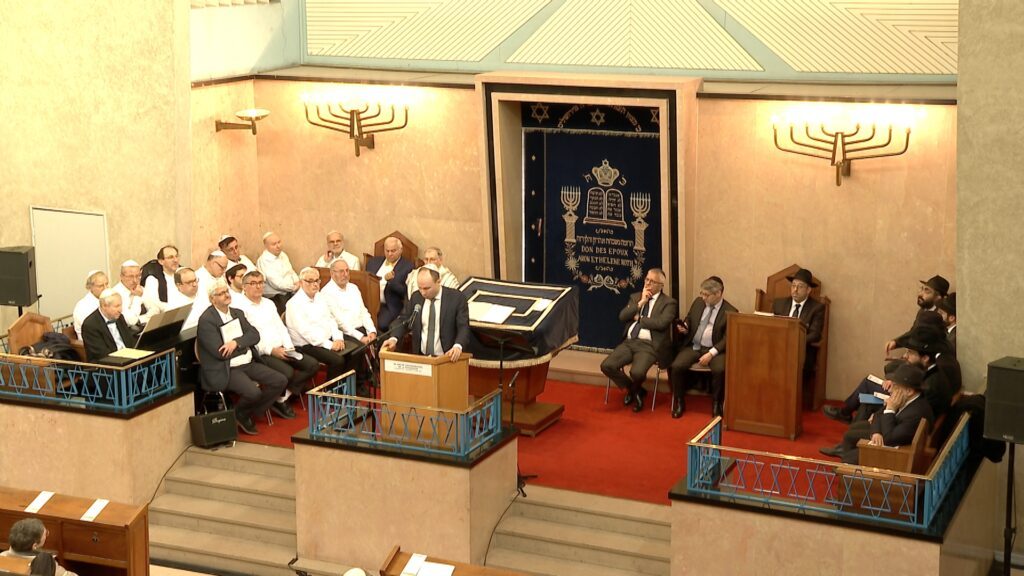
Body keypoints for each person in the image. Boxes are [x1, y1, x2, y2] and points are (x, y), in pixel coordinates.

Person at [196, 280, 290, 435]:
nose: (226, 295)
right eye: (221, 293)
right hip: (226, 368)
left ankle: (245, 413)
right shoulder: (207, 320)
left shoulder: (237, 313)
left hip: (247, 362)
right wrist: (243, 346)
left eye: (226, 291)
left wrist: (236, 343)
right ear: (212, 299)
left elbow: (254, 335)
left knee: (280, 381)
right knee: (253, 393)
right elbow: (220, 352)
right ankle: (241, 414)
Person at [819, 363, 933, 464]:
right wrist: (876, 432)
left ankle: (847, 465)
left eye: (896, 386)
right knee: (853, 429)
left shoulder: (917, 413)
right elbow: (879, 414)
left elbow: (889, 439)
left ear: (909, 391)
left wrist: (890, 409)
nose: (891, 389)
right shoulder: (906, 398)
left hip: (895, 452)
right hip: (886, 431)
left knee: (851, 443)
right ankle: (845, 458)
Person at [600, 269, 678, 414]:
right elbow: (623, 316)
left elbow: (661, 323)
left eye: (652, 281)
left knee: (637, 372)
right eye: (647, 279)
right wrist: (641, 302)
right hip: (630, 342)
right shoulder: (636, 297)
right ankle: (636, 391)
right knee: (607, 366)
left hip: (649, 346)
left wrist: (640, 319)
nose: (648, 283)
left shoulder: (669, 303)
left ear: (661, 285)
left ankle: (634, 390)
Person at [236, 270, 318, 409]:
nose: (258, 286)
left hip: (283, 347)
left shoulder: (269, 303)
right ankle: (280, 398)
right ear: (244, 287)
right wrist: (272, 350)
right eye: (253, 283)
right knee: (288, 373)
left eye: (261, 283)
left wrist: (289, 346)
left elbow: (281, 327)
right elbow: (250, 338)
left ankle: (283, 395)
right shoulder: (239, 308)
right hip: (263, 353)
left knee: (312, 364)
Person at [669, 276, 738, 418]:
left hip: (716, 350)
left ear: (718, 293)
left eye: (706, 295)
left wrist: (711, 354)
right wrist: (686, 327)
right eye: (702, 293)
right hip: (694, 346)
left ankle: (717, 403)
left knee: (720, 370)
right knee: (677, 366)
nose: (703, 297)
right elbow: (689, 317)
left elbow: (727, 338)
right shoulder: (698, 303)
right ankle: (680, 401)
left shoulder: (730, 311)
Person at [382, 266, 471, 361]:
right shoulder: (416, 297)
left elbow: (463, 327)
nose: (423, 293)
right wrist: (394, 338)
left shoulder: (456, 298)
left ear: (438, 281)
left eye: (426, 288)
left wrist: (458, 346)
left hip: (447, 358)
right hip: (421, 357)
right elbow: (404, 319)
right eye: (420, 288)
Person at [286, 267, 359, 382]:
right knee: (337, 360)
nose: (314, 284)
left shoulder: (320, 296)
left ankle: (346, 388)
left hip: (326, 338)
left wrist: (338, 338)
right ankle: (330, 393)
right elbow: (306, 332)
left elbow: (331, 319)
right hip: (307, 345)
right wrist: (330, 345)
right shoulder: (294, 304)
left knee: (356, 349)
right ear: (301, 283)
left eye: (317, 281)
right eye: (310, 281)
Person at [770, 267, 825, 372]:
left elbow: (815, 334)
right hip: (778, 349)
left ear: (808, 290)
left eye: (800, 287)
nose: (795, 290)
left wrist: (794, 341)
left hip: (802, 353)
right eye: (793, 286)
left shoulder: (817, 308)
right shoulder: (779, 304)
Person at [885, 274, 950, 354]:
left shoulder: (942, 316)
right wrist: (896, 342)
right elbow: (914, 332)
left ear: (938, 297)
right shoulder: (922, 311)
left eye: (927, 291)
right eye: (922, 289)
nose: (921, 294)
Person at [366, 236, 414, 331]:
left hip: (388, 305)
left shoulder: (408, 266)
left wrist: (391, 281)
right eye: (387, 251)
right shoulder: (373, 262)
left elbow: (404, 292)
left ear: (400, 250)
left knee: (381, 324)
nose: (390, 254)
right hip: (368, 303)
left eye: (393, 251)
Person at [1, 518, 77, 576]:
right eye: (45, 534)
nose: (46, 536)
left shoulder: (2, 557)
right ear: (34, 545)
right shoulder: (46, 565)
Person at [81, 289, 135, 362]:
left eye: (121, 305)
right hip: (105, 367)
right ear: (104, 306)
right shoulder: (90, 325)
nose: (120, 310)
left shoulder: (120, 317)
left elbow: (129, 342)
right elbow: (101, 354)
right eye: (116, 306)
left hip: (128, 359)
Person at [257, 232, 301, 314]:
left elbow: (291, 271)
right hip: (277, 296)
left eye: (279, 242)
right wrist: (293, 287)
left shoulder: (283, 255)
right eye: (274, 244)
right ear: (266, 246)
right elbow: (277, 284)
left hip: (291, 289)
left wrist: (297, 281)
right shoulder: (264, 260)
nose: (278, 246)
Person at [112, 260, 153, 329]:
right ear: (121, 276)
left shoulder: (141, 289)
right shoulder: (115, 294)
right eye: (131, 276)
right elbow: (130, 321)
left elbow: (156, 310)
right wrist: (137, 297)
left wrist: (142, 295)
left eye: (137, 276)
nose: (135, 280)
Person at [72, 270, 109, 339]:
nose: (105, 288)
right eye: (101, 286)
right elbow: (92, 330)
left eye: (106, 284)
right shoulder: (82, 306)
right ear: (90, 287)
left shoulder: (107, 299)